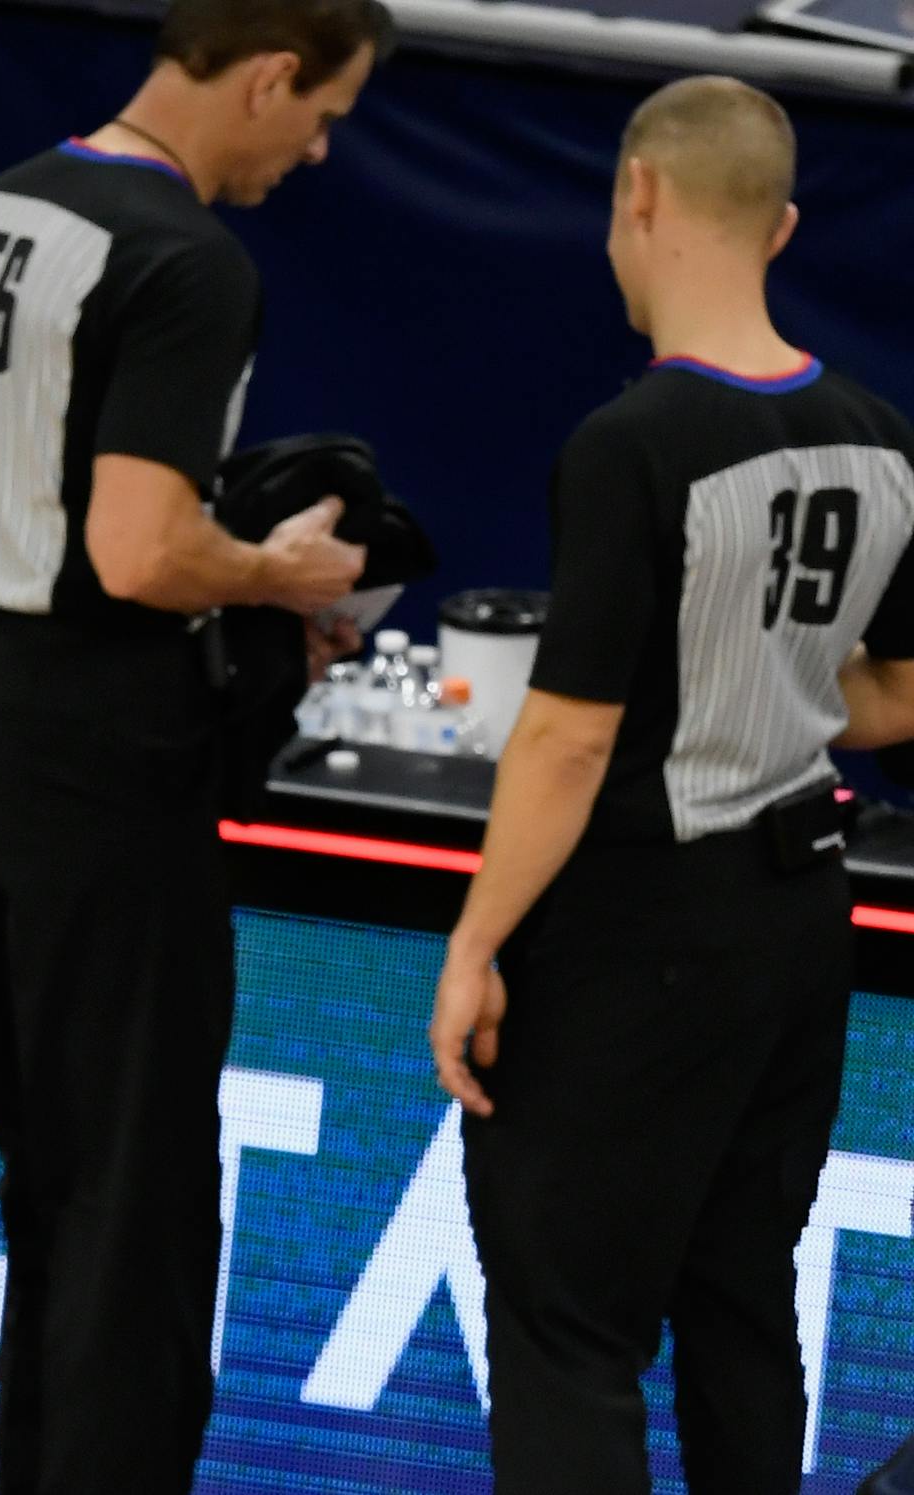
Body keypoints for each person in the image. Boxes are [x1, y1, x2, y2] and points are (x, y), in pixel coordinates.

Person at [0, 2, 388, 1490]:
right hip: (91, 742)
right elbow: (135, 548)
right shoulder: (189, 257)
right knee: (137, 1188)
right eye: (322, 113)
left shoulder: (13, 197)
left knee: (47, 1165)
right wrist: (284, 573)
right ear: (267, 72)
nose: (318, 148)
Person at [430, 76, 914, 1493]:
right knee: (741, 1303)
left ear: (637, 195)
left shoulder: (633, 442)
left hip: (638, 931)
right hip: (797, 918)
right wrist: (765, 684)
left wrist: (475, 943)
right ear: (783, 225)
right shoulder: (878, 432)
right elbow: (896, 693)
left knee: (567, 1324)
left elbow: (567, 738)